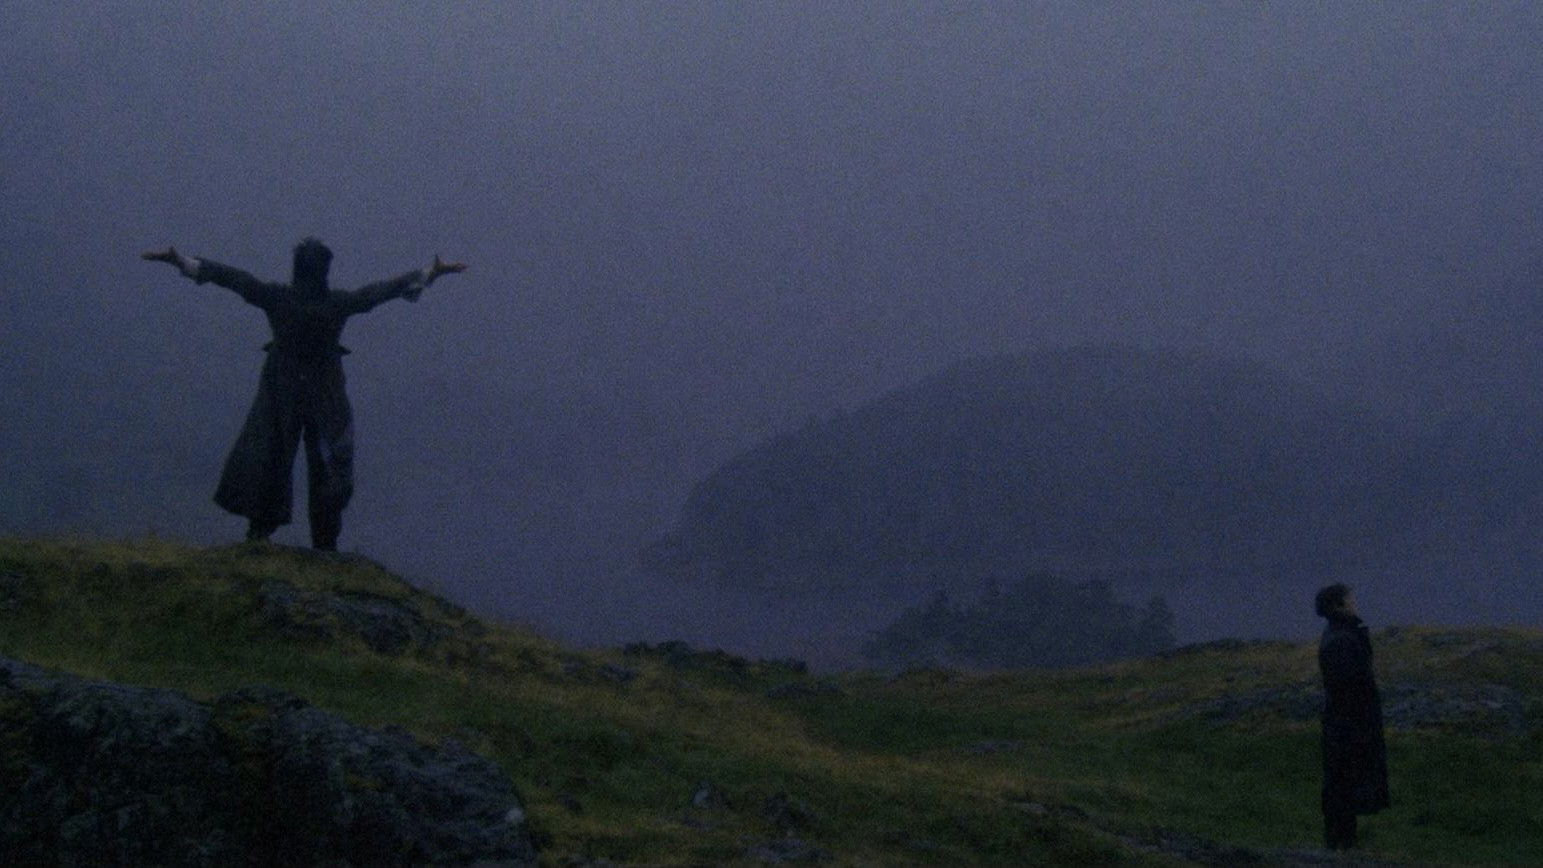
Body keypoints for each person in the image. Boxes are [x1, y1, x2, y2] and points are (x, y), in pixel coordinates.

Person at [141, 239, 467, 550]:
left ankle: (261, 533)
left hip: (283, 390)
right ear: (325, 272)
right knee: (324, 465)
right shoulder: (335, 304)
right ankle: (323, 543)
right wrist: (429, 273)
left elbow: (235, 279)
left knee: (271, 456)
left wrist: (183, 262)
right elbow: (377, 293)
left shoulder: (279, 298)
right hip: (324, 395)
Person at [1315, 583, 1389, 850]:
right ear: (1339, 605)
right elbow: (1348, 688)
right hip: (1348, 727)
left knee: (1343, 782)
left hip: (1345, 725)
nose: (1355, 604)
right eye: (1350, 600)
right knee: (1344, 784)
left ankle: (1342, 844)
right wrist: (1361, 721)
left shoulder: (1339, 636)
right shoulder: (1342, 640)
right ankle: (1340, 846)